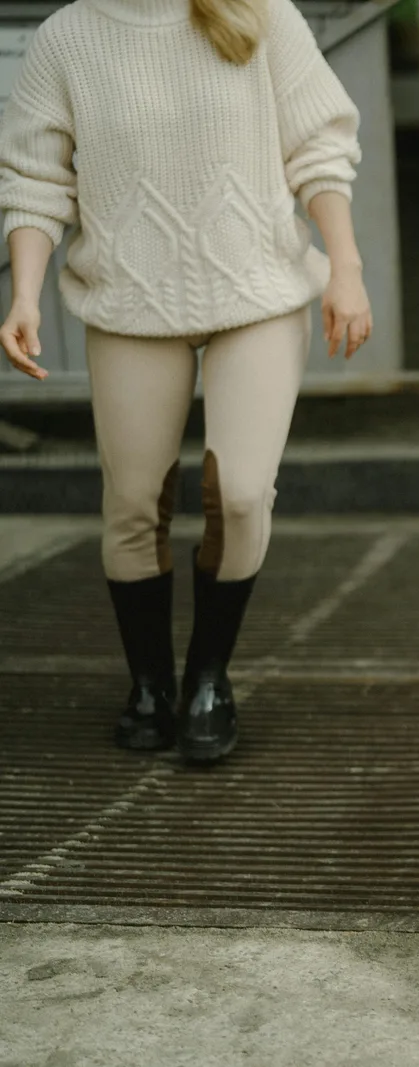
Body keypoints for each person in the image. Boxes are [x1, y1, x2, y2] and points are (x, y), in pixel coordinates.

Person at [0, 0, 371, 763]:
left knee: (238, 494)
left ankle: (209, 675)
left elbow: (319, 149)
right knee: (133, 504)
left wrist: (347, 268)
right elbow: (36, 180)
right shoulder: (67, 36)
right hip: (131, 302)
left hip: (259, 295)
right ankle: (149, 683)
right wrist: (26, 295)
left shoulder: (260, 13)